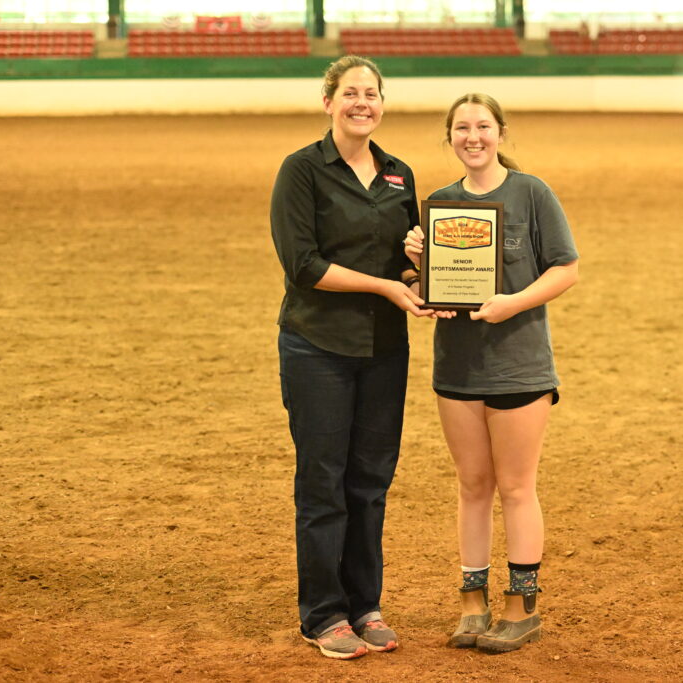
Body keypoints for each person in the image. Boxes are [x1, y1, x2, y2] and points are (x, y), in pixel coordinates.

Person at [404, 93, 579, 653]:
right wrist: (417, 268)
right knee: (472, 485)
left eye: (483, 127)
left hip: (519, 365)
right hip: (457, 365)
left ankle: (521, 607)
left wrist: (514, 302)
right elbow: (425, 289)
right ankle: (472, 604)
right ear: (450, 137)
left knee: (516, 486)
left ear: (501, 133)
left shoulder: (532, 193)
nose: (472, 137)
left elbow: (566, 269)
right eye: (461, 128)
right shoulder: (441, 204)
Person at [270, 55, 430, 661]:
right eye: (351, 93)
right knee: (323, 483)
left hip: (385, 349)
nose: (362, 102)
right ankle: (323, 615)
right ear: (329, 101)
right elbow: (303, 266)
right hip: (317, 346)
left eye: (372, 93)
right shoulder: (302, 170)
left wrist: (422, 266)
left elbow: (407, 265)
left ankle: (365, 604)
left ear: (382, 103)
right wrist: (387, 287)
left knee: (370, 482)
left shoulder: (399, 175)